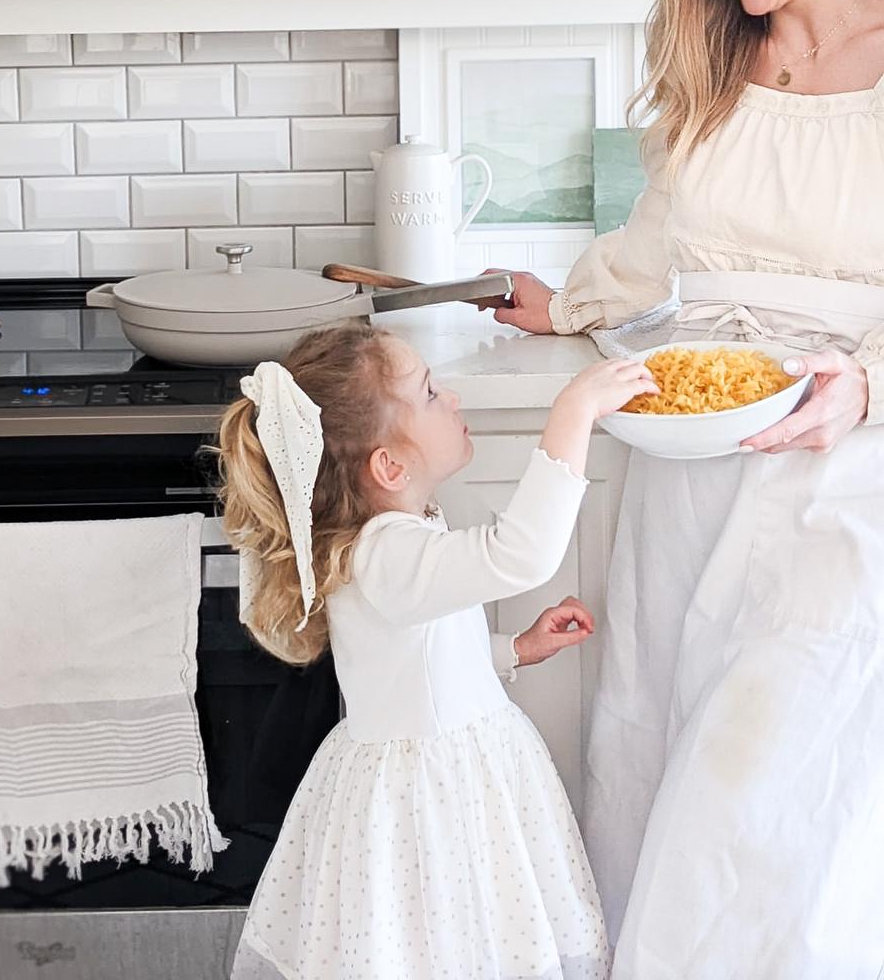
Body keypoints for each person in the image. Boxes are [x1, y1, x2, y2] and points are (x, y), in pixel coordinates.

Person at [494, 0, 884, 980]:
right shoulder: (722, 53)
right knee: (657, 759)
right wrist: (568, 306)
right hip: (686, 459)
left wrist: (866, 384)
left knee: (763, 797)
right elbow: (664, 236)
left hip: (835, 470)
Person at [216, 317, 656, 980]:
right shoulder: (385, 552)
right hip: (431, 800)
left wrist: (512, 650)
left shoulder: (391, 533)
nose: (450, 397)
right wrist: (576, 410)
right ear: (388, 465)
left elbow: (414, 657)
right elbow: (521, 554)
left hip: (438, 777)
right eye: (428, 393)